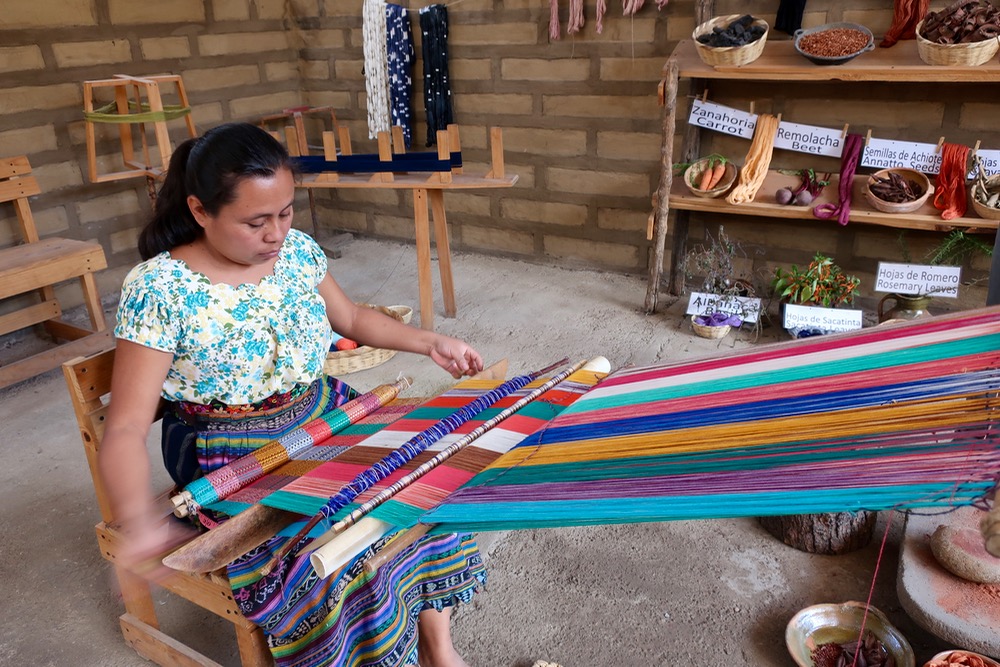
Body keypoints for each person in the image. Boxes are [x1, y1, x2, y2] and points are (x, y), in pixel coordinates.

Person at [100, 122, 484, 667]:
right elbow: (126, 427)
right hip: (226, 446)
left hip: (320, 411)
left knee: (430, 482)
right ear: (200, 210)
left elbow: (349, 317)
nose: (276, 234)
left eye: (285, 213)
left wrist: (430, 342)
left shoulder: (299, 253)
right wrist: (138, 522)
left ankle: (439, 650)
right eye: (256, 221)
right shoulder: (160, 289)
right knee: (337, 548)